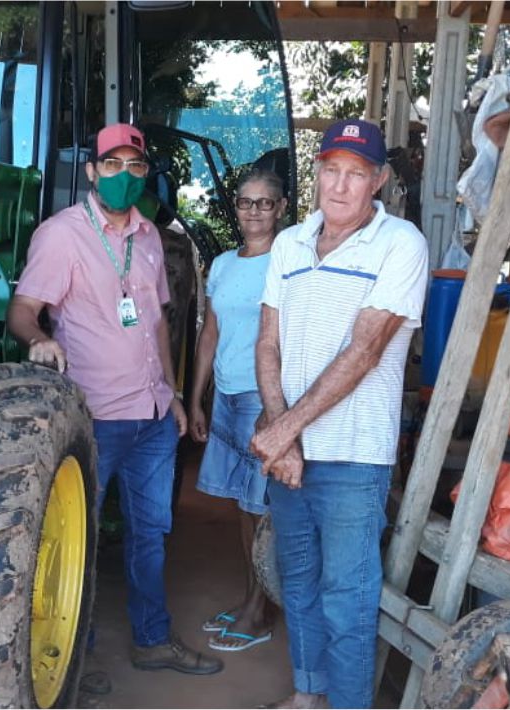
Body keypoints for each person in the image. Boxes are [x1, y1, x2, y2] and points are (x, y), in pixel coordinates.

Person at [7, 122, 224, 680]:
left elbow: (154, 321)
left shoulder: (151, 237)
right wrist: (39, 339)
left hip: (152, 417)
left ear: (145, 173)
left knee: (150, 534)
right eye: (112, 165)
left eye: (134, 167)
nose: (123, 176)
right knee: (71, 542)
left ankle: (152, 639)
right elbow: (23, 309)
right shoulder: (62, 235)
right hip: (93, 417)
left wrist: (173, 395)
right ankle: (70, 661)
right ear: (91, 171)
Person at [250, 118, 428, 709]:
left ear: (377, 181)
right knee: (297, 583)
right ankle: (308, 697)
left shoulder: (401, 244)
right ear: (318, 173)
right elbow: (267, 341)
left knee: (347, 599)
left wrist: (283, 432)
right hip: (290, 454)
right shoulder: (289, 245)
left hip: (353, 457)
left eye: (356, 174)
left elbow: (366, 351)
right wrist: (283, 437)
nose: (341, 185)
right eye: (331, 170)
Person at [188, 169, 286, 653]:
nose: (254, 212)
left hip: (259, 400)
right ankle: (256, 597)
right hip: (226, 396)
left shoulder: (287, 262)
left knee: (260, 508)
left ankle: (258, 609)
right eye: (246, 202)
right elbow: (210, 333)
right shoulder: (224, 264)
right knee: (240, 507)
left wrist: (276, 407)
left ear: (281, 209)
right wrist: (197, 397)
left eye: (264, 203)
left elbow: (293, 337)